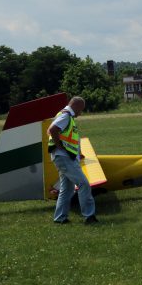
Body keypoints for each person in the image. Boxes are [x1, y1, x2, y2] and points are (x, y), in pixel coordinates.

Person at [48, 96, 97, 225]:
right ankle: (89, 216)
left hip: (65, 157)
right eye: (81, 110)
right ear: (76, 106)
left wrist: (77, 153)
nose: (81, 113)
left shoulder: (65, 115)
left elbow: (67, 137)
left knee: (67, 189)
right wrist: (60, 147)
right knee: (84, 184)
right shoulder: (66, 116)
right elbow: (52, 130)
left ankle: (60, 218)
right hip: (64, 158)